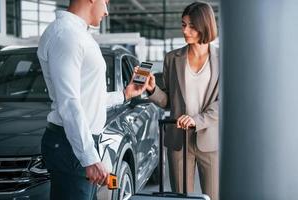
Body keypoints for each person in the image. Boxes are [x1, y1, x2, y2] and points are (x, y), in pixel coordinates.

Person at [37, 0, 148, 199]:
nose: (106, 11)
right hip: (70, 144)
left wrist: (125, 94)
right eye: (105, 2)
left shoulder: (77, 34)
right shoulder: (66, 36)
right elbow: (69, 103)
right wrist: (89, 158)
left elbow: (87, 98)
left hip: (75, 142)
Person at [146, 2, 219, 200]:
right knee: (180, 198)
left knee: (213, 196)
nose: (185, 30)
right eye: (183, 24)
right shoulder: (172, 58)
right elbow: (168, 101)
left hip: (210, 139)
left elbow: (224, 102)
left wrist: (197, 119)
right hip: (178, 140)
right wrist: (152, 89)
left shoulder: (222, 59)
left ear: (205, 26)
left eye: (192, 26)